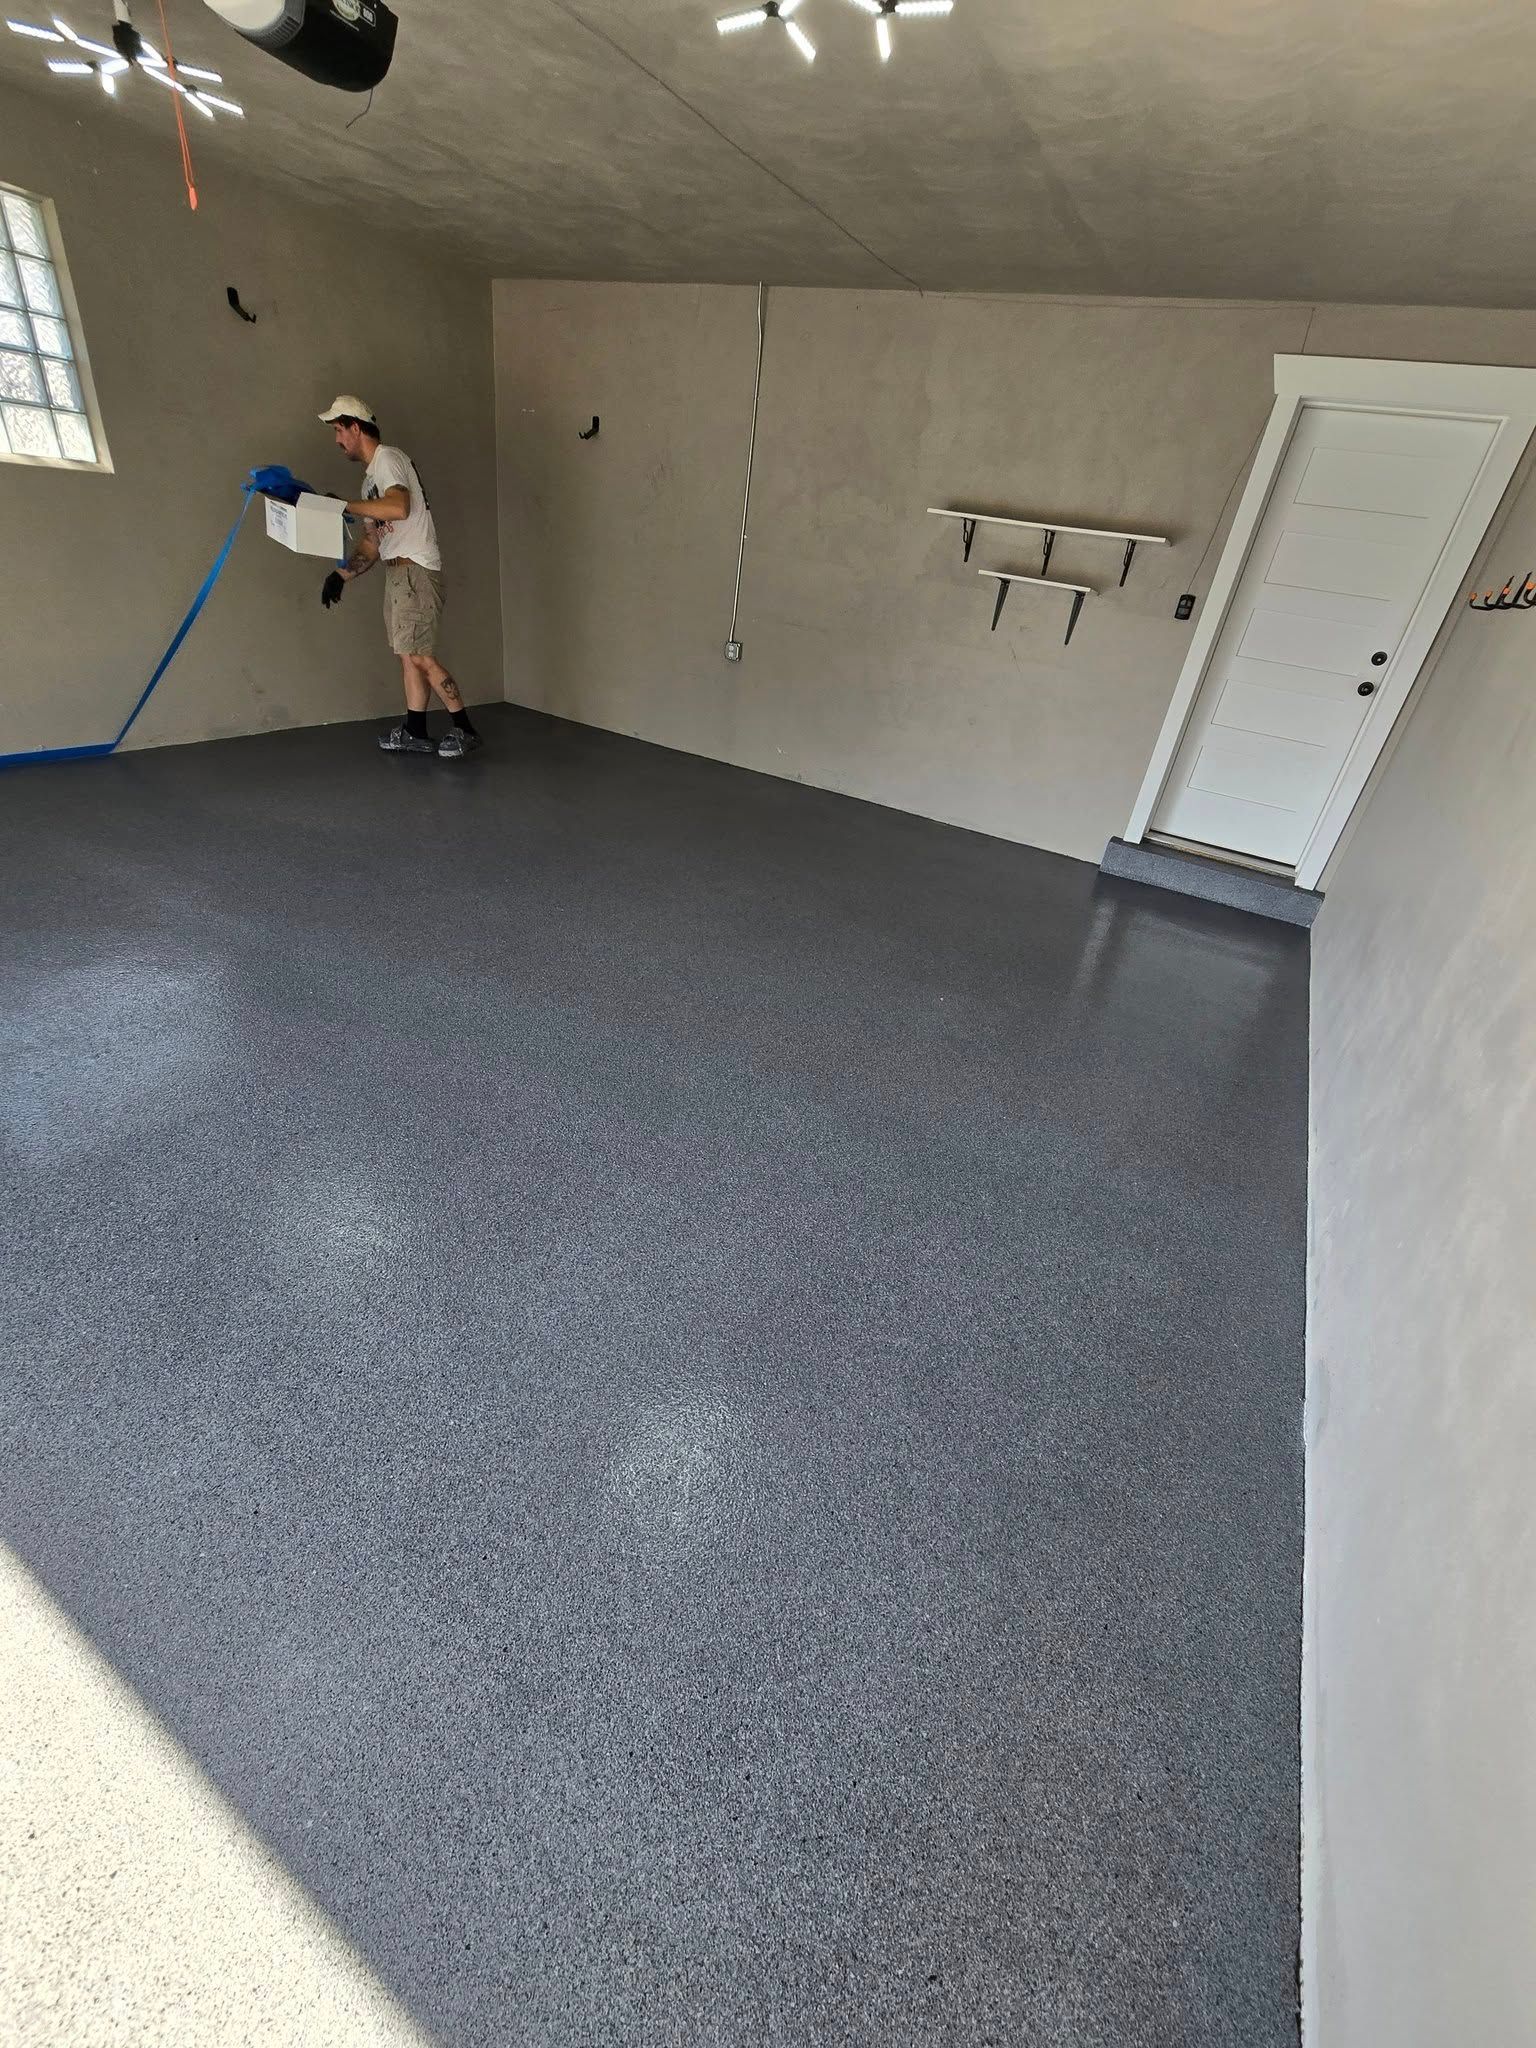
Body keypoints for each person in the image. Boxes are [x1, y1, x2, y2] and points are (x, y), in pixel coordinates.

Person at [316, 395, 481, 759]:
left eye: (339, 431)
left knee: (419, 655)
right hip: (397, 573)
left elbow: (400, 507)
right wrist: (342, 575)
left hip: (416, 570)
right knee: (408, 656)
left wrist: (341, 505)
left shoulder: (388, 459)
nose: (337, 440)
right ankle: (415, 731)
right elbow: (374, 541)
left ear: (355, 427)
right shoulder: (369, 482)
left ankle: (465, 729)